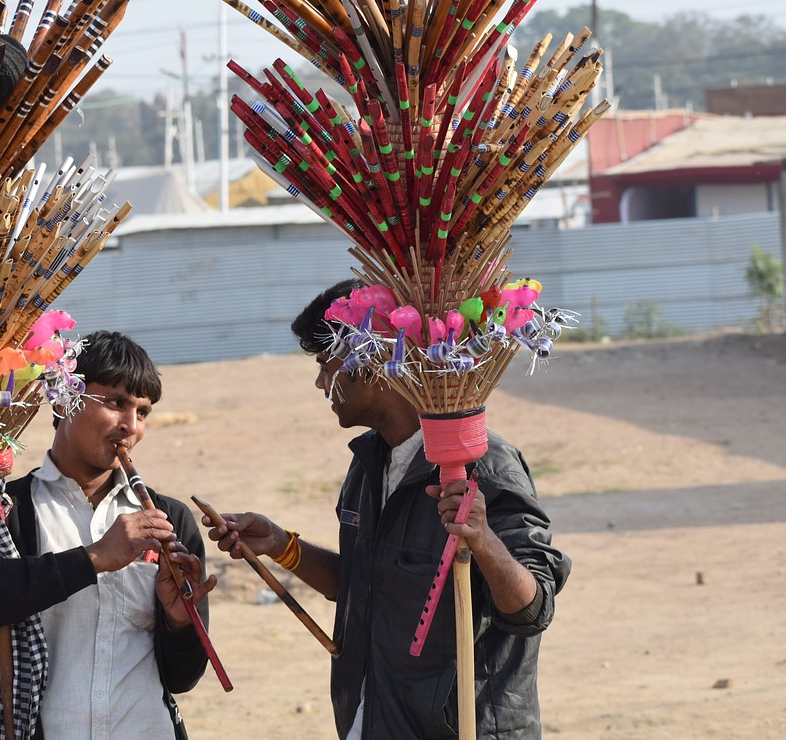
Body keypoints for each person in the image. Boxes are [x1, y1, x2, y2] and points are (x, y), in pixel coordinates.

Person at [205, 280, 571, 739]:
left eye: (326, 364)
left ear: (373, 361)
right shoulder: (369, 462)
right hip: (371, 721)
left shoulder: (483, 467)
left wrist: (482, 538)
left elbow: (532, 610)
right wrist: (282, 546)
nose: (320, 382)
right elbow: (366, 587)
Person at [0, 330, 215, 740]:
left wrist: (181, 622)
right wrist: (92, 559)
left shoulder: (168, 520)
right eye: (116, 403)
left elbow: (182, 679)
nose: (131, 427)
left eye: (142, 412)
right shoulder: (2, 510)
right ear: (62, 399)